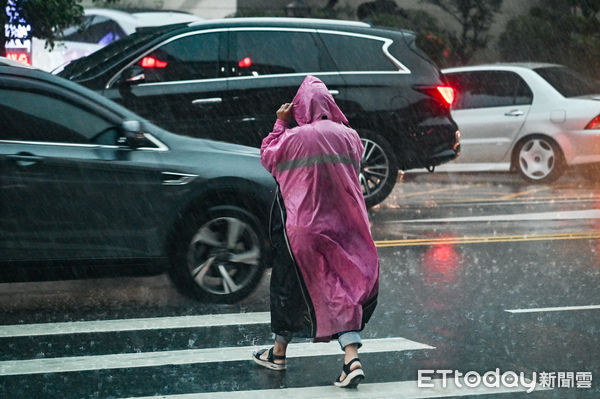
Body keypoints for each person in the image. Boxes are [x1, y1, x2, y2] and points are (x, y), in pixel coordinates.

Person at [252, 75, 379, 388]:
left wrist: (280, 123)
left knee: (288, 288)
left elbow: (268, 156)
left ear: (300, 107)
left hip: (303, 227)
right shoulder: (352, 137)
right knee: (341, 288)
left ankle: (279, 352)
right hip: (346, 226)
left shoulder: (296, 138)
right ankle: (351, 356)